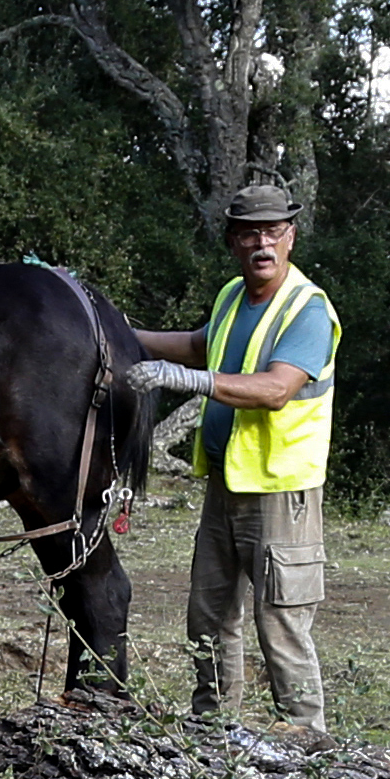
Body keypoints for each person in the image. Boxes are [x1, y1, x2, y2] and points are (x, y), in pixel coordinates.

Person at [123, 182, 341, 732]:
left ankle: (306, 747)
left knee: (281, 624)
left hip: (280, 492)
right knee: (210, 616)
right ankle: (214, 732)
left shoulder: (307, 309)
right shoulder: (231, 297)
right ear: (233, 241)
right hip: (226, 484)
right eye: (249, 233)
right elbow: (203, 344)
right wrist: (122, 335)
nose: (262, 244)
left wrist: (183, 381)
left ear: (291, 236)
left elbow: (275, 390)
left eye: (273, 231)